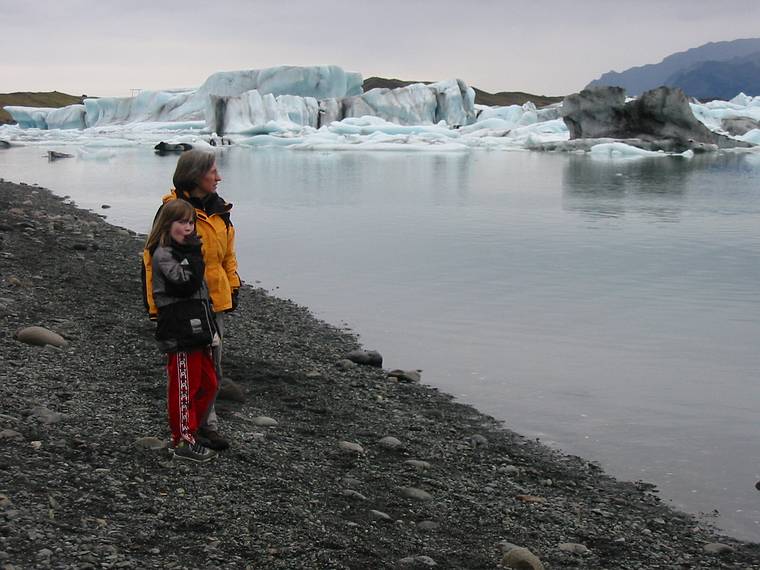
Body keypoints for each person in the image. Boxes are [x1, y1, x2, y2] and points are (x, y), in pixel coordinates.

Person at [143, 149, 240, 451]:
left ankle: (203, 426)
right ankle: (190, 432)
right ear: (196, 175)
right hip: (183, 305)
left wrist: (234, 285)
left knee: (213, 371)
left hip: (214, 302)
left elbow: (228, 255)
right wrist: (154, 306)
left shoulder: (220, 211)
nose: (219, 177)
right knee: (188, 372)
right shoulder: (175, 212)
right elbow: (151, 260)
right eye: (213, 172)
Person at [145, 199, 219, 462]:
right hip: (179, 330)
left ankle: (192, 429)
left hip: (198, 328)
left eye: (190, 223)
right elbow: (184, 283)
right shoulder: (164, 254)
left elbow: (196, 285)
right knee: (184, 386)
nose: (188, 228)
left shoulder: (187, 253)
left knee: (209, 383)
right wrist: (194, 257)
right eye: (182, 223)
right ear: (168, 224)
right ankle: (182, 438)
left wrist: (192, 257)